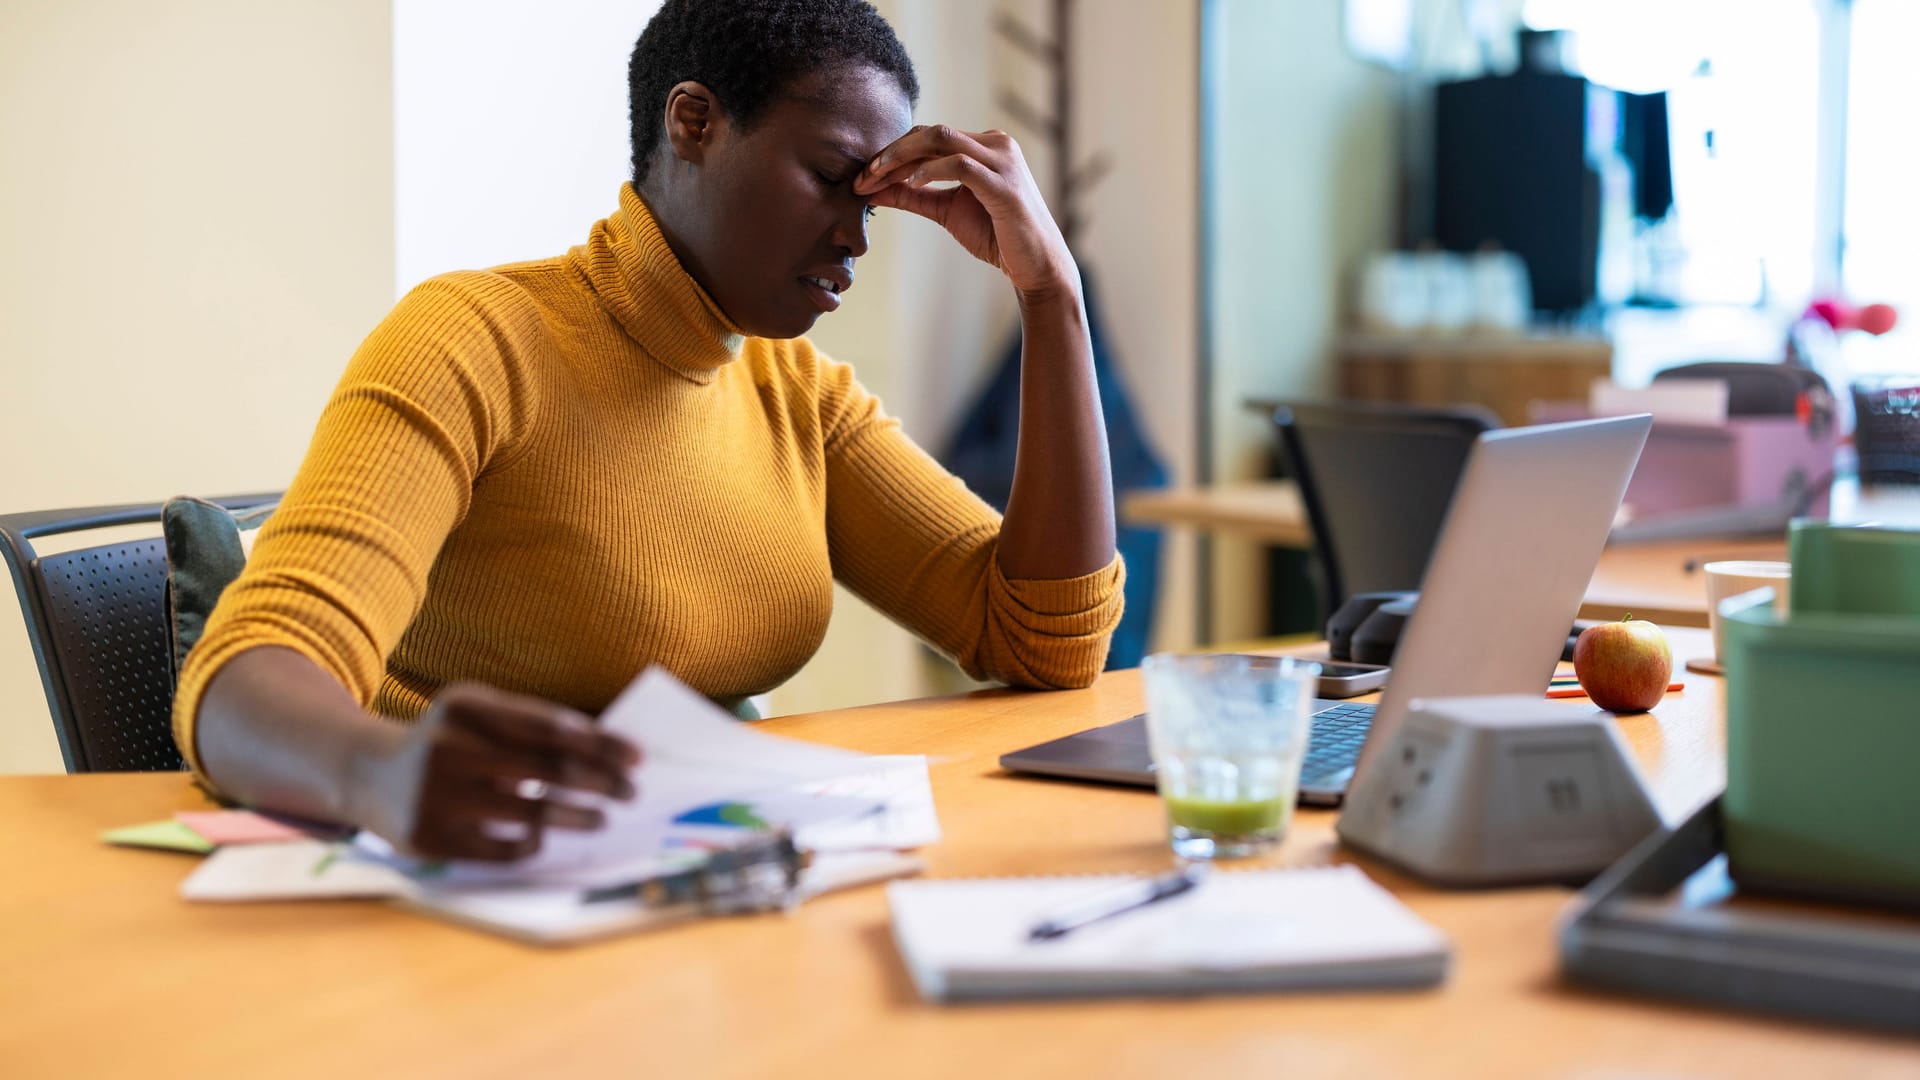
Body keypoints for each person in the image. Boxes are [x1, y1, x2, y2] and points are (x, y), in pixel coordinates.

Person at [175, 0, 1122, 862]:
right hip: (461, 884)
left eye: (871, 204)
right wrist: (381, 773)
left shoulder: (795, 389)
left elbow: (1044, 642)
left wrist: (1051, 296)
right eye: (832, 179)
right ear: (694, 122)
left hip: (697, 884)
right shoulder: (473, 339)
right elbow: (245, 683)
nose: (855, 237)